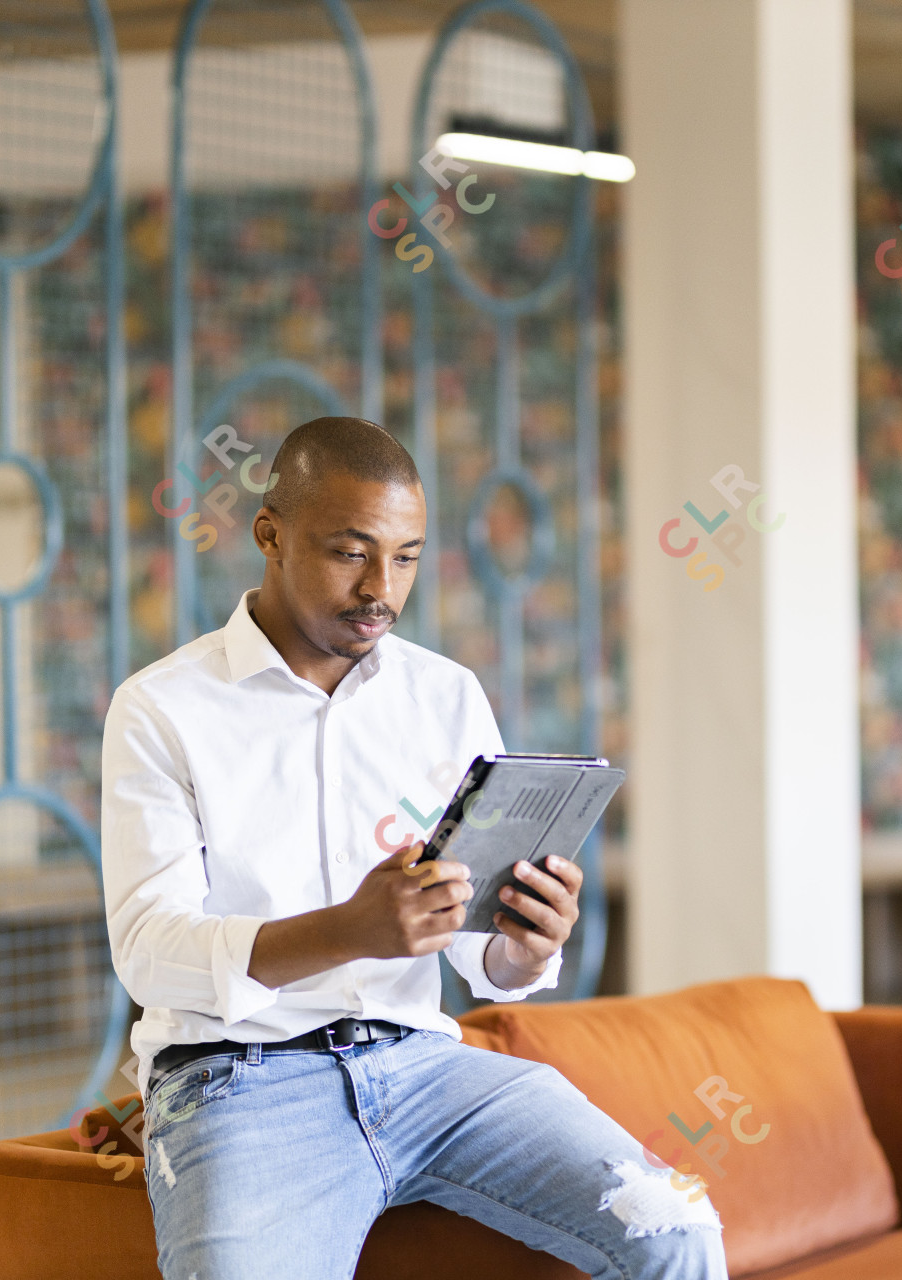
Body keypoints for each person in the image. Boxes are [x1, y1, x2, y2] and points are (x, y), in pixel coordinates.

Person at [101, 416, 727, 1278]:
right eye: (351, 553)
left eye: (406, 557)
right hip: (239, 1082)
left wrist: (521, 941)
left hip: (426, 1068)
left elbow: (479, 955)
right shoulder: (163, 709)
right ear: (270, 535)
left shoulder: (445, 695)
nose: (381, 590)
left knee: (677, 1227)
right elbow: (148, 954)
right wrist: (351, 930)